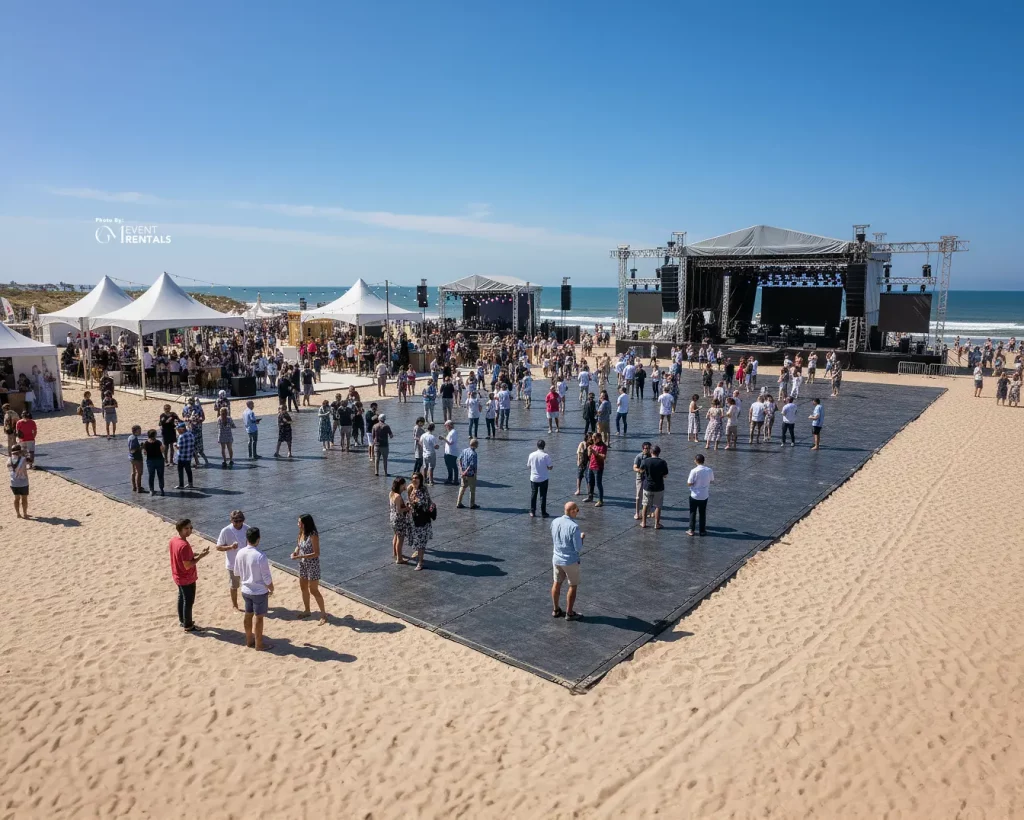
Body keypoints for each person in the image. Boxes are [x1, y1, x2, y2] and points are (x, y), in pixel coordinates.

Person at [235, 527, 274, 650]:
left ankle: (249, 640)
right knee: (259, 617)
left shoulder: (240, 553)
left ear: (246, 539)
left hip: (245, 590)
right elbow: (266, 577)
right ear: (258, 539)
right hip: (259, 591)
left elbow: (236, 572)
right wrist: (271, 588)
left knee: (248, 615)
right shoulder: (260, 556)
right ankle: (259, 644)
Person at [169, 519, 210, 632]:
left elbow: (181, 556)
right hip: (186, 578)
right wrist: (200, 556)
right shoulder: (184, 545)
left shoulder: (174, 540)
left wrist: (195, 554)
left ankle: (183, 620)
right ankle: (188, 625)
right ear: (180, 529)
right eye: (186, 528)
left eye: (191, 527)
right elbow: (187, 565)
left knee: (181, 598)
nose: (190, 530)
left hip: (177, 575)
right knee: (188, 601)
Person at [290, 514, 328, 624]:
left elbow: (316, 553)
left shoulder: (313, 534)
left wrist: (300, 556)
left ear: (305, 524)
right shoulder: (301, 532)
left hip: (312, 565)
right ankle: (307, 610)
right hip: (303, 564)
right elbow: (298, 545)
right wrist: (295, 552)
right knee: (303, 587)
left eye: (300, 522)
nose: (298, 524)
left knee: (314, 590)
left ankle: (323, 614)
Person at [551, 501, 584, 620]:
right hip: (570, 561)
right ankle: (569, 613)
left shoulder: (555, 522)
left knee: (556, 583)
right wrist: (581, 538)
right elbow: (578, 548)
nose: (578, 512)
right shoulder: (574, 527)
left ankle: (556, 610)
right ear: (572, 511)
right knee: (573, 586)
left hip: (556, 558)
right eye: (577, 510)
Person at [216, 510, 250, 612]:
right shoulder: (225, 531)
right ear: (231, 520)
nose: (238, 523)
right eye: (236, 521)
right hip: (233, 564)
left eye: (240, 521)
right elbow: (218, 547)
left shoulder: (247, 529)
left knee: (248, 585)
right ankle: (235, 605)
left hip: (246, 563)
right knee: (234, 586)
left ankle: (249, 604)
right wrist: (230, 547)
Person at [407, 471, 434, 571]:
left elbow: (421, 503)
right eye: (413, 478)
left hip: (422, 519)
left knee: (421, 543)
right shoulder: (412, 489)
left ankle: (420, 563)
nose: (414, 480)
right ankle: (419, 558)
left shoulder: (422, 490)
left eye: (416, 478)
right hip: (415, 519)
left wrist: (412, 503)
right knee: (419, 542)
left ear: (420, 479)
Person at [640, 444, 669, 529]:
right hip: (659, 487)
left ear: (651, 452)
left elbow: (641, 470)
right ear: (659, 452)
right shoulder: (662, 462)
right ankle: (657, 524)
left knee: (645, 505)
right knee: (658, 506)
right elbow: (665, 475)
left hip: (647, 486)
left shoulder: (645, 461)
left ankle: (643, 522)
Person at [686, 453, 715, 536]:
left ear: (696, 461)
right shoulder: (709, 470)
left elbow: (689, 483)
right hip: (704, 495)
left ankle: (691, 530)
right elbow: (712, 480)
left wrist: (695, 483)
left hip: (694, 495)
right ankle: (702, 530)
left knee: (693, 512)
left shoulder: (694, 471)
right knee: (702, 513)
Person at [527, 438, 554, 518]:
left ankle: (532, 511)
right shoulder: (546, 456)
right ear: (544, 446)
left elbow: (529, 466)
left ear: (537, 446)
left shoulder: (531, 454)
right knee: (543, 495)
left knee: (533, 494)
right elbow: (550, 467)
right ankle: (543, 512)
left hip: (534, 478)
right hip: (543, 478)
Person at [389, 476, 412, 564]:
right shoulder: (398, 496)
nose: (405, 486)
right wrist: (407, 508)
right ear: (401, 485)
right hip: (399, 519)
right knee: (400, 538)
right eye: (404, 484)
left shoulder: (391, 493)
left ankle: (395, 553)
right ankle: (399, 558)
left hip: (392, 517)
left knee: (396, 535)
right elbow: (399, 510)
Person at [456, 437, 480, 509]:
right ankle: (472, 504)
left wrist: (461, 471)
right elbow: (471, 465)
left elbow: (459, 460)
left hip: (463, 473)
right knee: (472, 489)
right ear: (475, 445)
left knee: (462, 487)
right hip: (470, 474)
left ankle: (458, 502)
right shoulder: (474, 454)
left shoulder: (464, 450)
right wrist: (466, 472)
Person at [585, 431, 607, 507]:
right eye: (593, 438)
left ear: (599, 438)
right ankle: (590, 497)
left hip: (598, 467)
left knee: (598, 484)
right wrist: (589, 451)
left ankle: (600, 501)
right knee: (590, 482)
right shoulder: (593, 445)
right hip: (591, 466)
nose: (593, 439)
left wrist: (595, 452)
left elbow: (603, 457)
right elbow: (589, 456)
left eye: (595, 438)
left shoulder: (603, 446)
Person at [8, 443, 29, 518]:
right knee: (24, 499)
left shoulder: (9, 459)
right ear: (19, 451)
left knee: (16, 498)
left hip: (13, 482)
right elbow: (25, 471)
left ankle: (18, 514)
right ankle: (25, 514)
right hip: (23, 482)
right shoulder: (23, 459)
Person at [172, 421, 196, 489]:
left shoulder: (181, 437)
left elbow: (179, 447)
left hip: (182, 457)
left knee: (180, 471)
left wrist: (175, 444)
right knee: (188, 470)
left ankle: (181, 485)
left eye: (178, 429)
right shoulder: (191, 434)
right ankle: (190, 484)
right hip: (189, 456)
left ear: (182, 429)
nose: (177, 431)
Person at [632, 441, 652, 521]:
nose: (647, 450)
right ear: (642, 449)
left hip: (649, 478)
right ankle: (637, 512)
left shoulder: (652, 456)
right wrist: (639, 470)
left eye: (649, 448)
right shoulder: (639, 456)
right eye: (646, 448)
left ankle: (648, 511)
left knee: (649, 495)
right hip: (640, 478)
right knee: (638, 495)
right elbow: (634, 467)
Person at [143, 429, 165, 494]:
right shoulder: (158, 442)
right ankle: (161, 489)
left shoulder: (146, 443)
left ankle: (151, 490)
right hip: (159, 460)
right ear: (155, 435)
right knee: (160, 476)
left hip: (150, 461)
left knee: (151, 476)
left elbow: (145, 453)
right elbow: (162, 451)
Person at [442, 420, 459, 485]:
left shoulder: (453, 432)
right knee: (449, 466)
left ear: (449, 425)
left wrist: (443, 438)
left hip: (451, 453)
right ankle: (450, 479)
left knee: (453, 466)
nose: (446, 427)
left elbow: (450, 443)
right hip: (448, 452)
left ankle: (455, 480)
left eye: (446, 426)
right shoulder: (451, 432)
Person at [128, 424, 144, 492]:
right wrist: (141, 447)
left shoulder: (130, 437)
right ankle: (138, 488)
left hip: (131, 457)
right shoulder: (134, 438)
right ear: (135, 431)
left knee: (133, 472)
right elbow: (132, 450)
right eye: (139, 430)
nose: (140, 432)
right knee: (139, 472)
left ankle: (134, 487)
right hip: (136, 458)